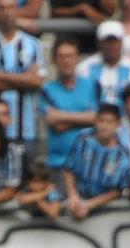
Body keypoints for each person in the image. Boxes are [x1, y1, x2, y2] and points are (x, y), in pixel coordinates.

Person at [0, 0, 46, 153]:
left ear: (17, 10)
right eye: (2, 8)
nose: (7, 12)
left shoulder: (33, 44)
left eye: (11, 7)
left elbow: (37, 81)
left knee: (26, 174)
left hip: (26, 128)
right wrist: (24, 78)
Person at [38, 37, 97, 174]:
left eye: (70, 56)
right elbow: (55, 124)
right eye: (61, 57)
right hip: (59, 165)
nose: (66, 61)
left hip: (88, 163)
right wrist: (85, 119)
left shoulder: (92, 86)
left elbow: (97, 119)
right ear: (53, 60)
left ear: (77, 59)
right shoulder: (46, 90)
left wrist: (63, 117)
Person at [62, 102, 130, 218]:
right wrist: (73, 196)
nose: (104, 125)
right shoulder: (83, 138)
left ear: (118, 124)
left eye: (109, 122)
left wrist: (89, 205)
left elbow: (118, 190)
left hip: (105, 208)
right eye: (101, 121)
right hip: (76, 201)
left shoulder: (122, 154)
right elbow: (68, 168)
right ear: (95, 121)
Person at [80, 20, 130, 114]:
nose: (111, 46)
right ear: (98, 43)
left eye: (115, 41)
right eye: (107, 41)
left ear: (121, 42)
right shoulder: (84, 68)